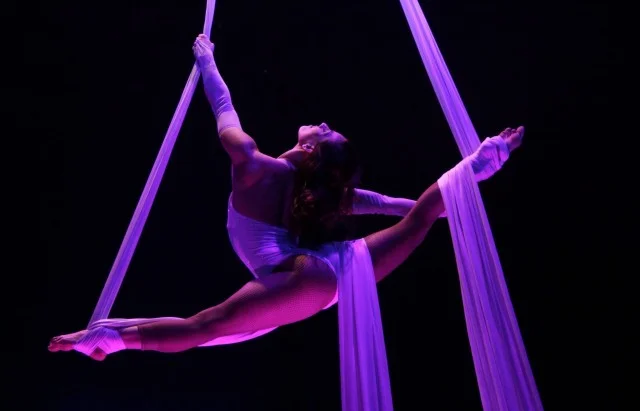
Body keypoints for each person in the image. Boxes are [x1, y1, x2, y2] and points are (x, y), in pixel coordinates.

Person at [49, 34, 524, 361]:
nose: (323, 122)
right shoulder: (318, 192)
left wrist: (207, 61)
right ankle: (480, 164)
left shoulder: (252, 163)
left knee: (203, 329)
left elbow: (222, 105)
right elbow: (398, 207)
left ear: (312, 149)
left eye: (327, 131)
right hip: (326, 272)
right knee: (417, 222)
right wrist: (456, 211)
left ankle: (108, 340)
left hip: (308, 280)